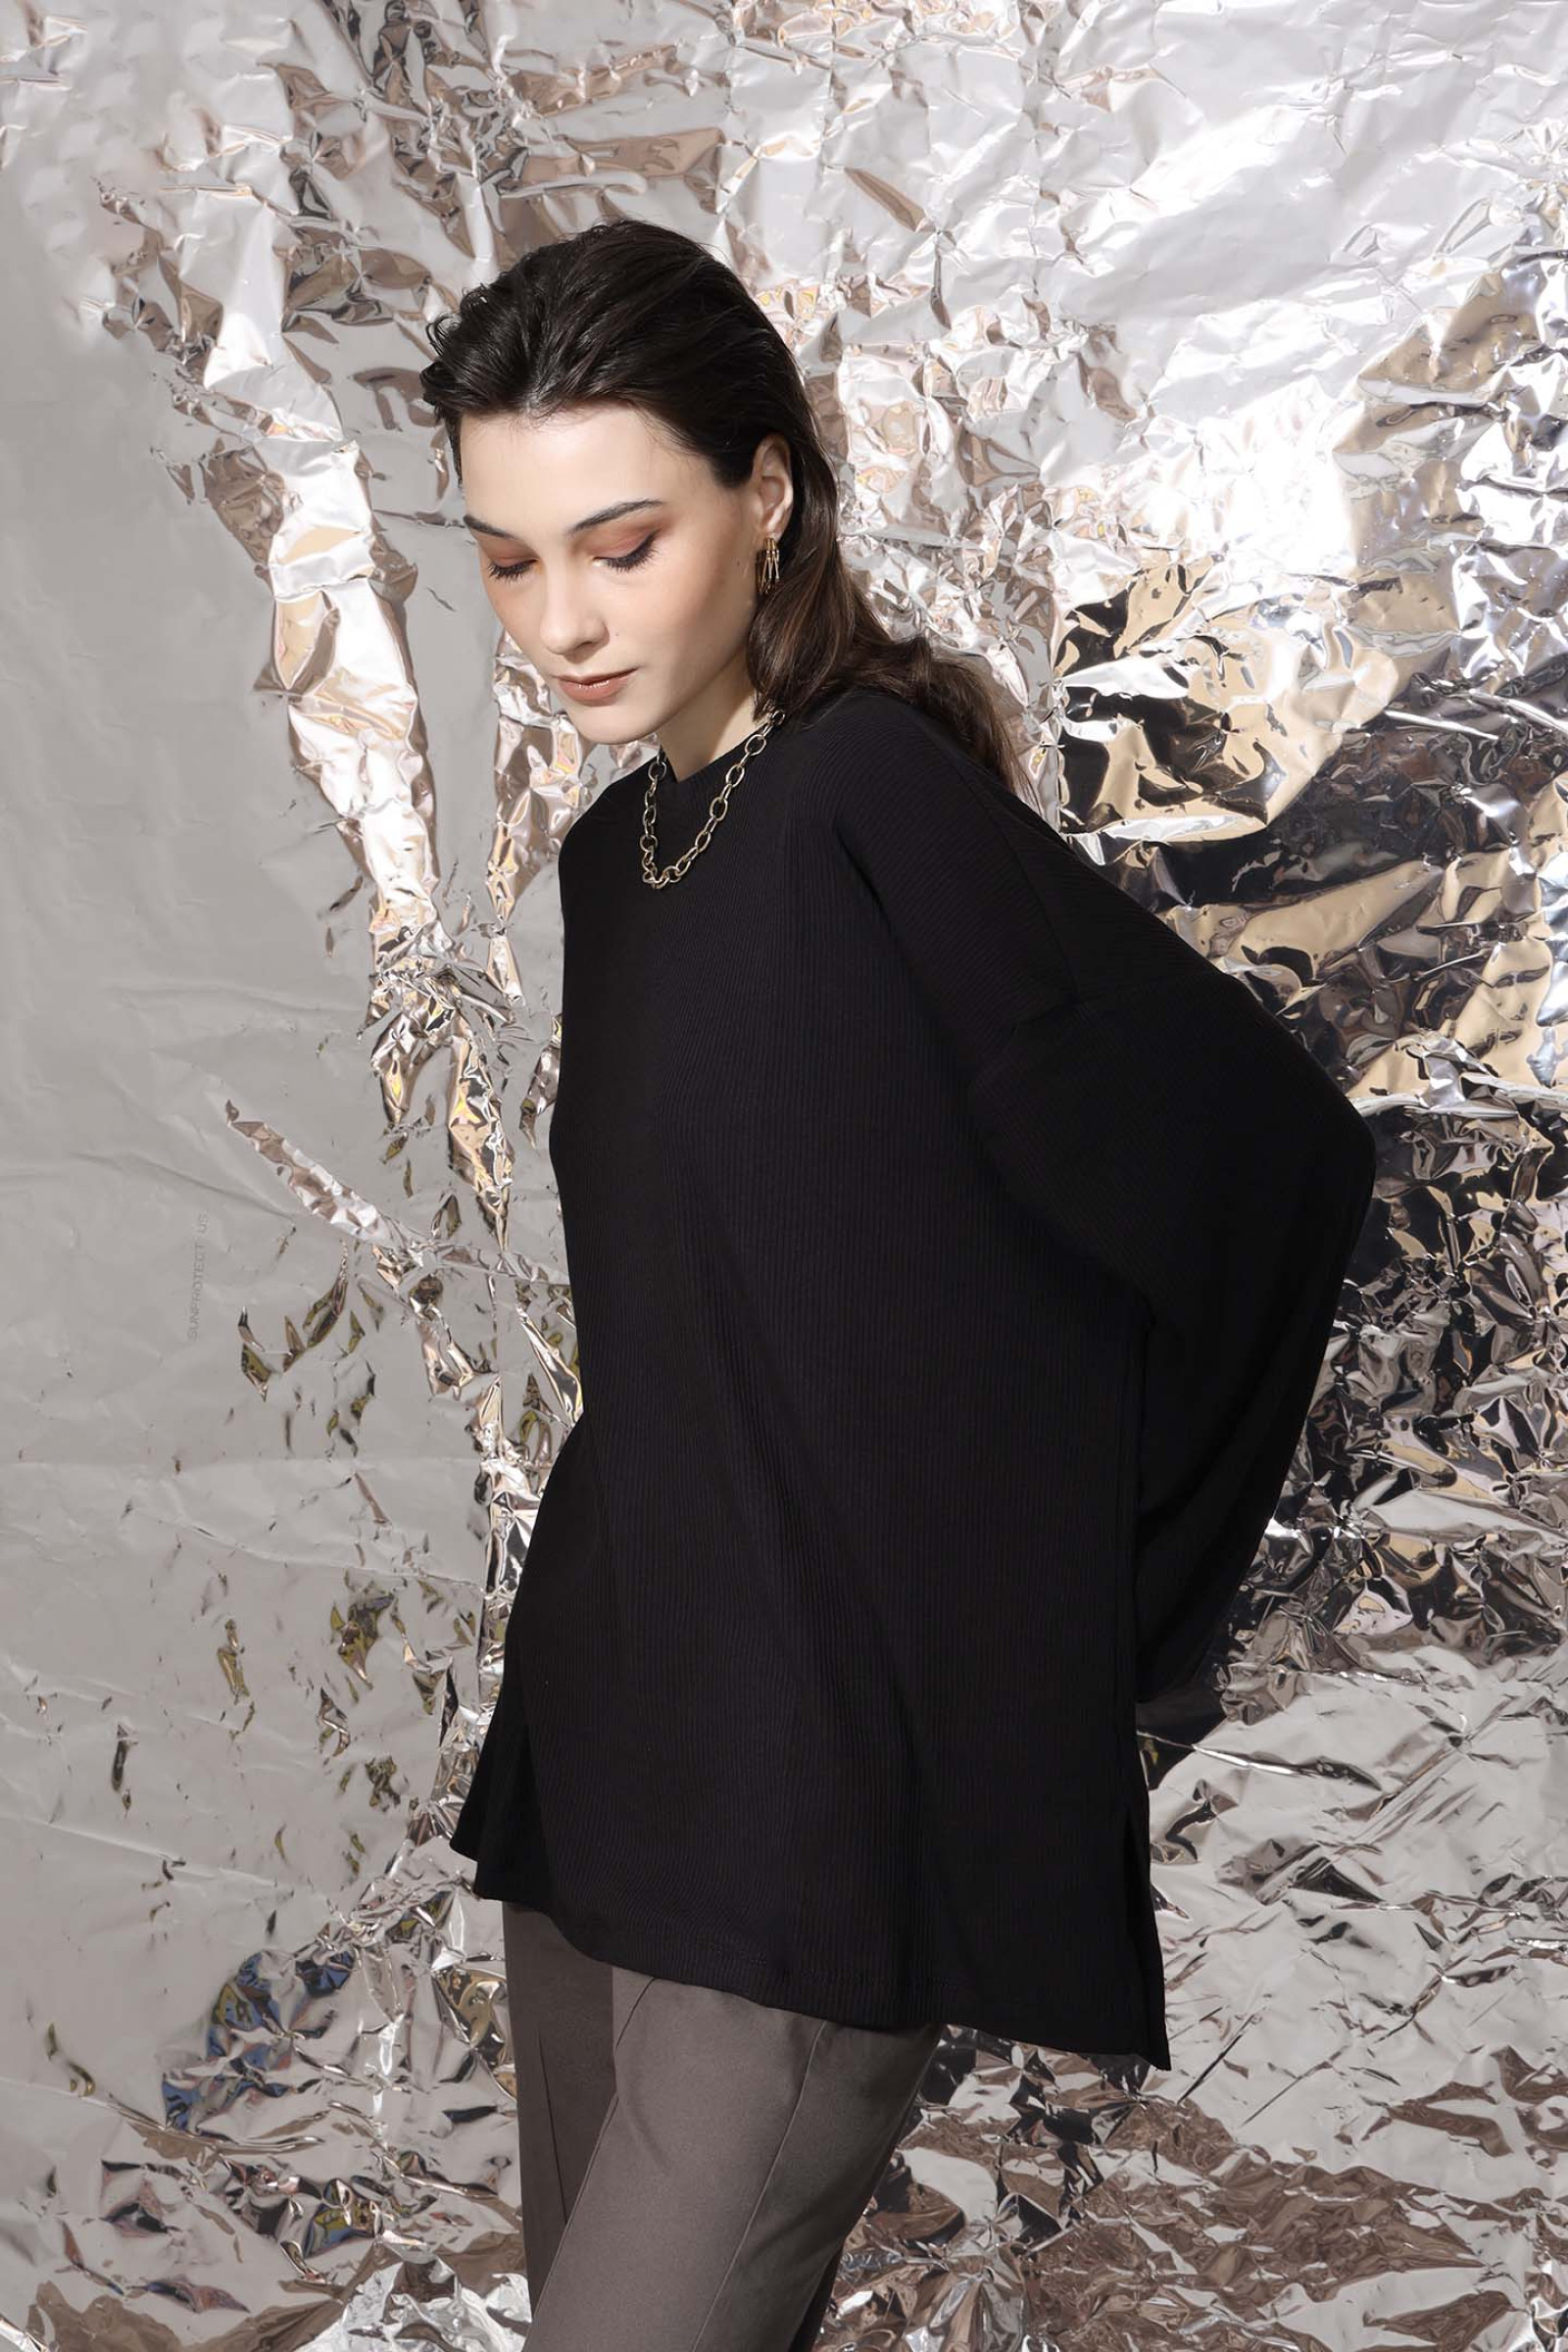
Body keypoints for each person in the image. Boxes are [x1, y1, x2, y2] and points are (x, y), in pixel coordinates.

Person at [417, 220, 1378, 2350]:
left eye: (621, 544)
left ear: (765, 492)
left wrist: (1087, 1632)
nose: (561, 620)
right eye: (508, 560)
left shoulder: (864, 794)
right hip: (603, 1752)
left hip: (817, 1805)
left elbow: (1271, 1168)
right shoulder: (616, 859)